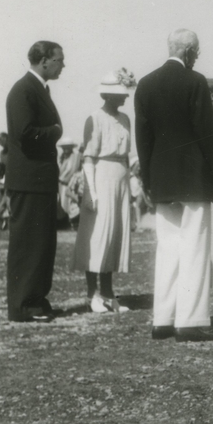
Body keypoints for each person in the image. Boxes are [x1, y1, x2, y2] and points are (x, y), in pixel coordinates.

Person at [135, 29, 213, 342]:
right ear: (188, 51)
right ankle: (190, 320)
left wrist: (148, 178)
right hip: (194, 176)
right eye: (196, 52)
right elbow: (207, 132)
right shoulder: (195, 81)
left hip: (161, 177)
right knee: (195, 246)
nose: (196, 57)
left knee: (168, 247)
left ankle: (163, 319)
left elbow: (143, 137)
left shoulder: (145, 84)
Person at [5, 40, 66, 323]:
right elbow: (25, 133)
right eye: (59, 60)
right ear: (44, 61)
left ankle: (36, 300)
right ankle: (23, 305)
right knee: (28, 245)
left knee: (41, 244)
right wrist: (55, 132)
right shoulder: (24, 90)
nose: (62, 65)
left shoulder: (37, 89)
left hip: (39, 179)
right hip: (29, 180)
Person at [74, 69, 137, 314]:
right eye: (121, 93)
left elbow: (127, 154)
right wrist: (91, 191)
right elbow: (89, 157)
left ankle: (109, 294)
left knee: (114, 236)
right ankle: (93, 294)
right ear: (108, 95)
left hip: (120, 178)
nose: (125, 97)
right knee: (97, 235)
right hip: (101, 178)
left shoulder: (125, 119)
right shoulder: (95, 118)